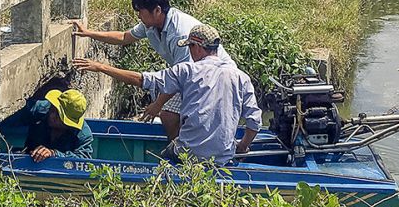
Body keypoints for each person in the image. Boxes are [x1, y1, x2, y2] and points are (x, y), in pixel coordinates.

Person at [75, 24, 261, 166]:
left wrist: (101, 67)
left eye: (189, 47)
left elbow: (142, 80)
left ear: (197, 47)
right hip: (223, 158)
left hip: (188, 154)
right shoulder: (241, 77)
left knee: (162, 161)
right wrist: (242, 146)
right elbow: (254, 122)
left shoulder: (187, 71)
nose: (189, 52)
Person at [72, 0, 234, 140]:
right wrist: (88, 33)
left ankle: (179, 151)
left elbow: (178, 80)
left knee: (168, 114)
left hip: (212, 76)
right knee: (166, 104)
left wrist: (158, 105)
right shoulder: (150, 25)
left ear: (157, 10)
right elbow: (124, 37)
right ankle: (181, 143)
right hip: (191, 74)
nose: (138, 17)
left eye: (140, 12)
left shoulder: (180, 34)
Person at [20, 89, 94, 162]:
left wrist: (54, 154)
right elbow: (14, 116)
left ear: (69, 123)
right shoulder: (40, 108)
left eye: (58, 115)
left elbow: (84, 160)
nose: (52, 116)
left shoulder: (83, 135)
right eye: (53, 109)